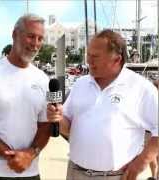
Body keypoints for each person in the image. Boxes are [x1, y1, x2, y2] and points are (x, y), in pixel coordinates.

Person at [47, 29, 158, 180]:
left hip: (116, 176)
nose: (89, 61)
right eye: (88, 55)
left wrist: (141, 162)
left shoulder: (141, 87)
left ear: (117, 60)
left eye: (95, 57)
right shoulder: (80, 84)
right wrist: (58, 117)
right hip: (75, 173)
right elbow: (69, 129)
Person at [0, 13, 56, 180]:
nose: (35, 44)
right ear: (15, 34)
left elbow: (45, 126)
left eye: (40, 38)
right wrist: (11, 156)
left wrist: (29, 155)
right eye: (30, 36)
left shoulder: (43, 80)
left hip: (29, 172)